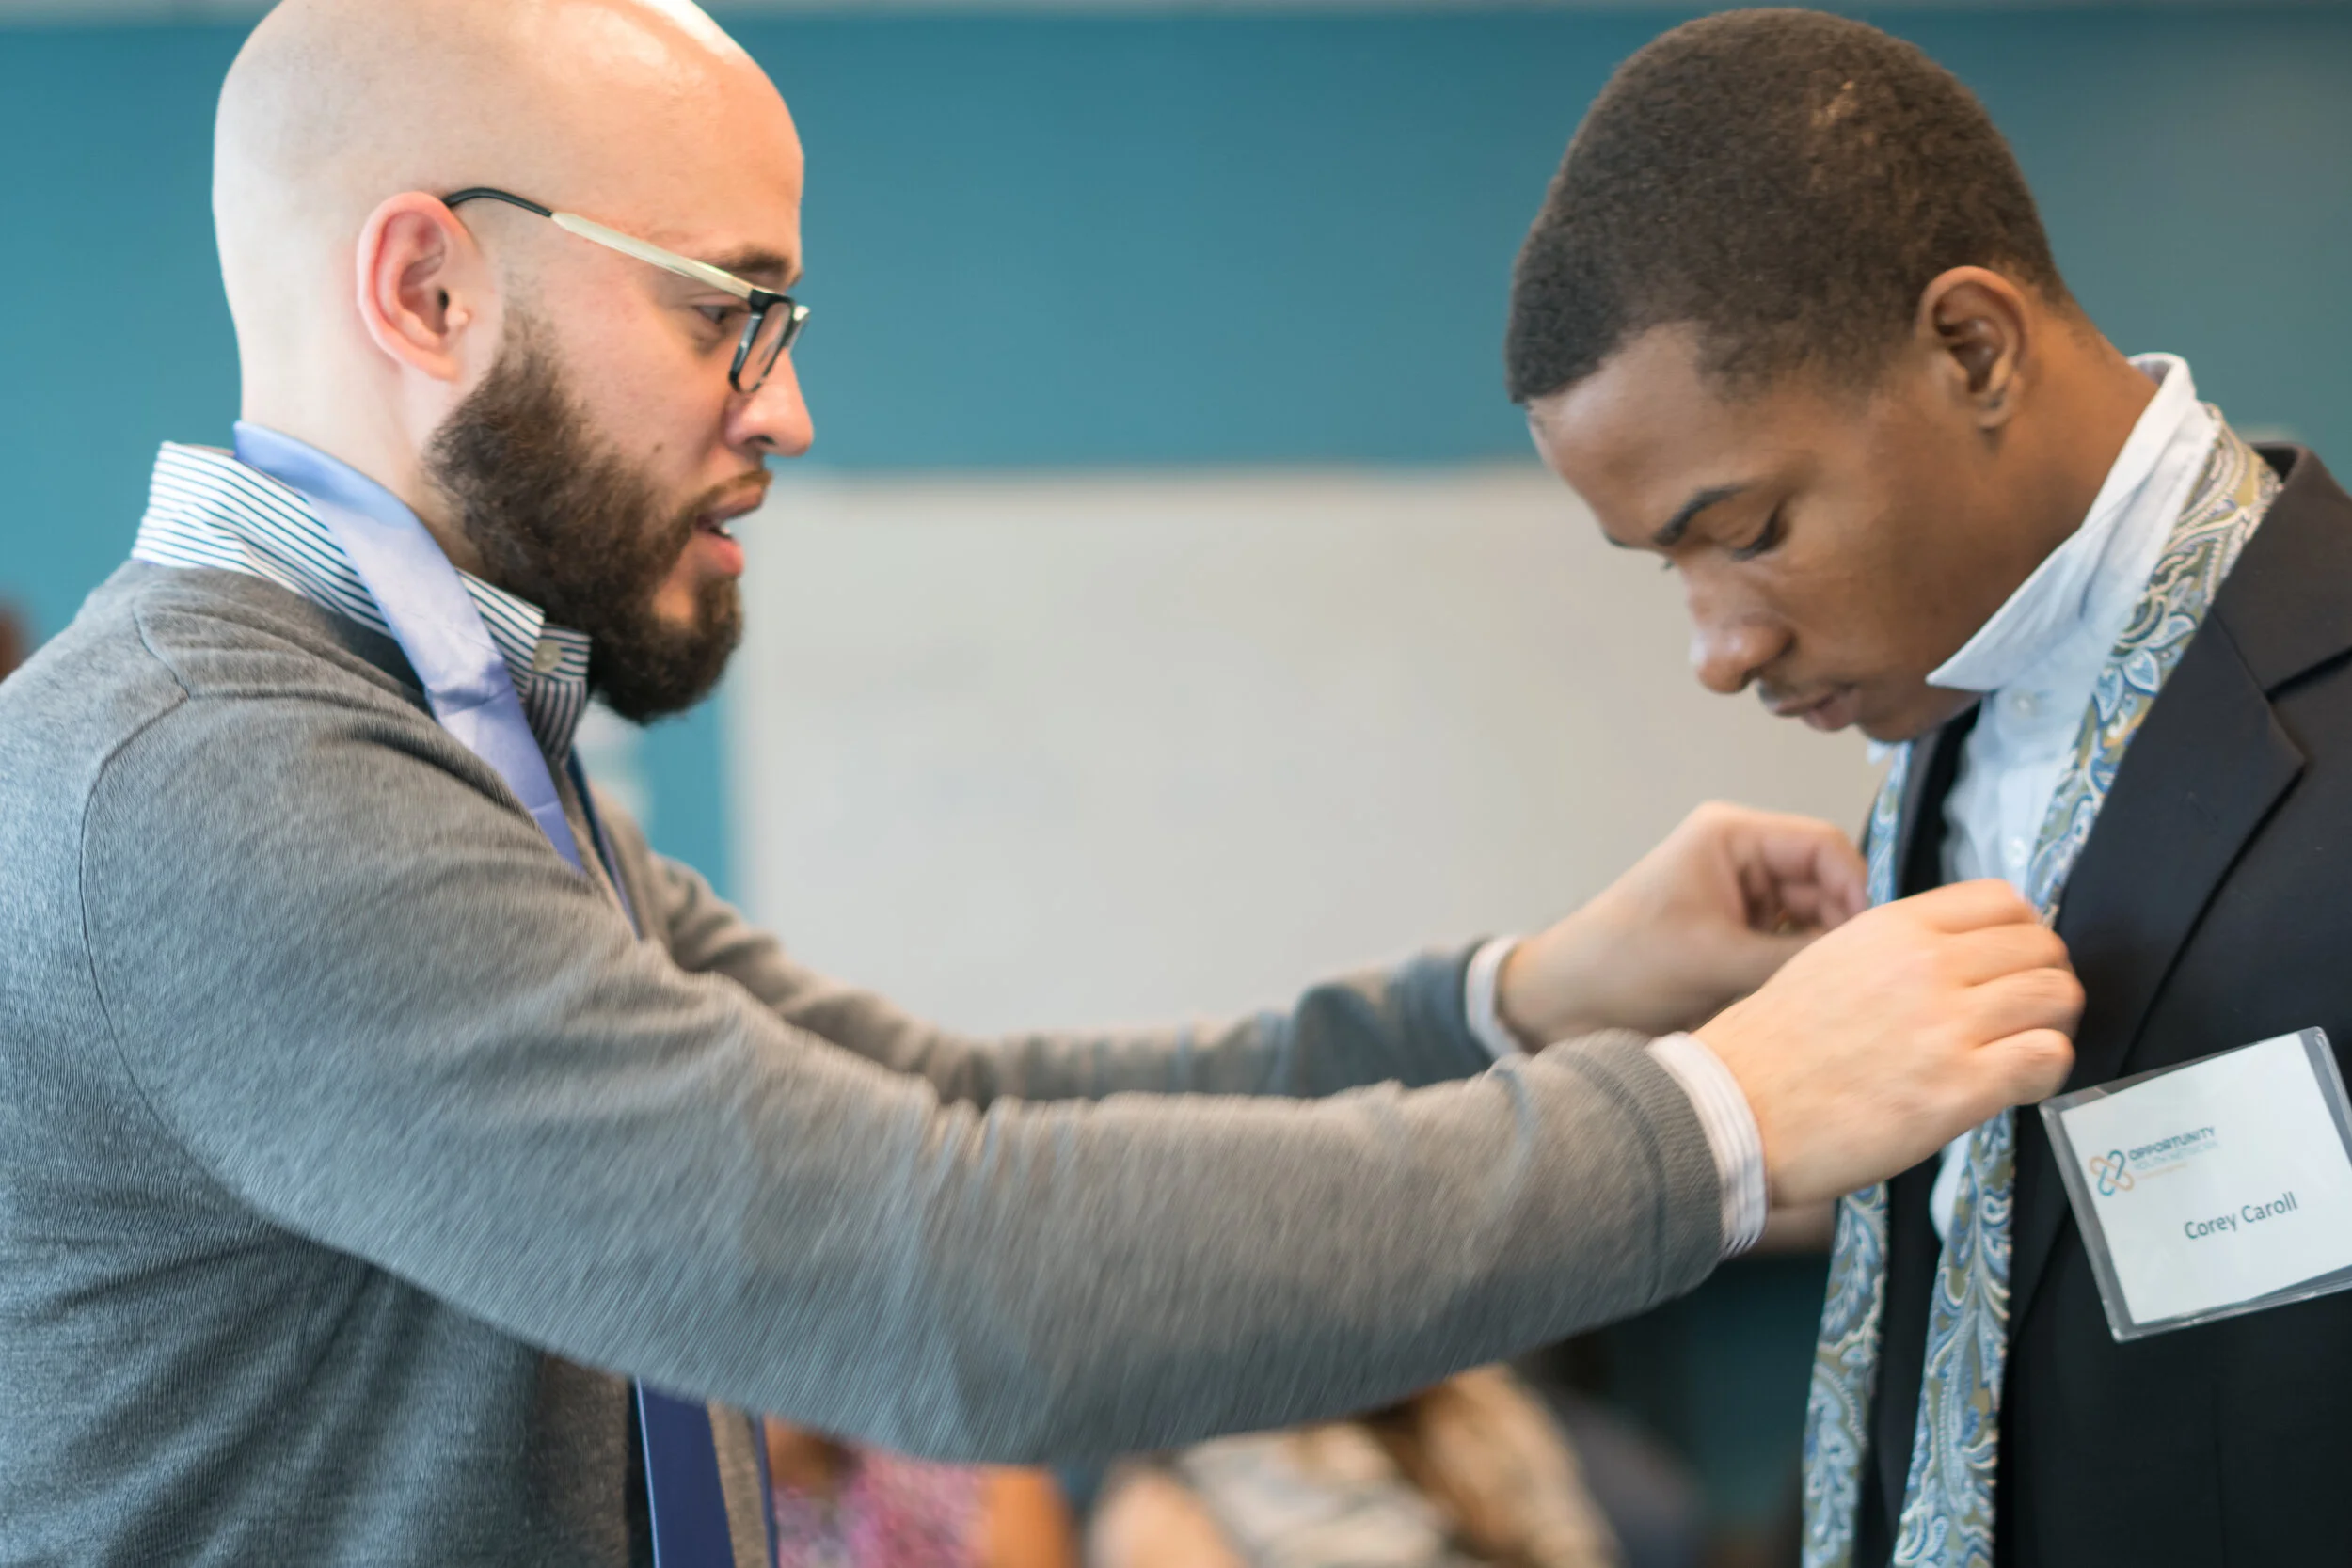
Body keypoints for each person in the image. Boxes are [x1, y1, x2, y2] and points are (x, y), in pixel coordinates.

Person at [0, 2, 2081, 1563]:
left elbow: (957, 1111)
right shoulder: (210, 784)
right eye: (728, 311)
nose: (786, 408)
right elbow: (924, 1272)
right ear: (429, 289)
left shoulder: (454, 757)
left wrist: (1522, 1002)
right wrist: (1718, 1120)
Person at [1505, 10, 2352, 1568]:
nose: (1716, 650)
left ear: (1972, 349)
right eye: (1666, 565)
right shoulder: (1932, 750)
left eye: (1748, 531)